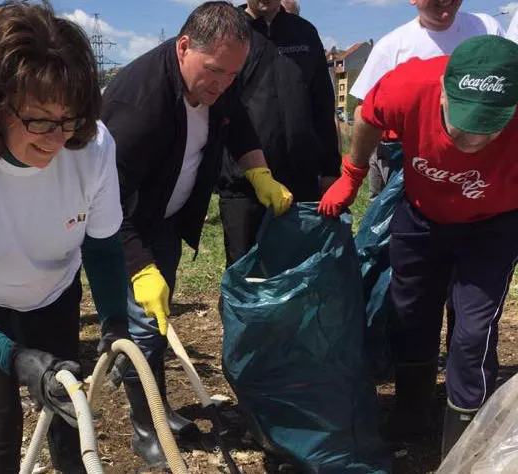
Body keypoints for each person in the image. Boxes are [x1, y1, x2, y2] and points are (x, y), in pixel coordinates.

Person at [0, 3, 130, 473]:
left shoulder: (92, 144)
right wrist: (15, 358)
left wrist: (116, 322)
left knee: (69, 411)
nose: (57, 139)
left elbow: (102, 247)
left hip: (54, 291)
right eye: (39, 120)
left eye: (68, 119)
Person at [102, 1, 293, 467]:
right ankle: (146, 429)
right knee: (144, 325)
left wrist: (259, 173)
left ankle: (157, 407)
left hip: (166, 218)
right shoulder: (138, 106)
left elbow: (239, 122)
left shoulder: (214, 79)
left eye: (232, 74)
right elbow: (106, 201)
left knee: (157, 324)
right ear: (184, 47)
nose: (223, 84)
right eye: (216, 71)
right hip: (121, 225)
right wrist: (140, 267)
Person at [319, 35, 518, 458]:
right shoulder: (409, 86)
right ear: (443, 90)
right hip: (423, 214)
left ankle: (466, 440)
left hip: (493, 225)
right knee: (410, 312)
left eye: (488, 127)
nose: (473, 142)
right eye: (463, 124)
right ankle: (412, 412)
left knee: (473, 331)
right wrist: (352, 175)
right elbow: (366, 117)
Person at [216, 0, 340, 266]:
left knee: (298, 269)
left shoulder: (305, 33)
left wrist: (331, 170)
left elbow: (323, 105)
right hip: (243, 184)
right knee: (245, 270)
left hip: (301, 181)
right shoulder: (228, 31)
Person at [350, 0, 504, 199]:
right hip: (409, 163)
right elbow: (365, 113)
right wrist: (352, 174)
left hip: (478, 163)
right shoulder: (392, 47)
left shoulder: (487, 29)